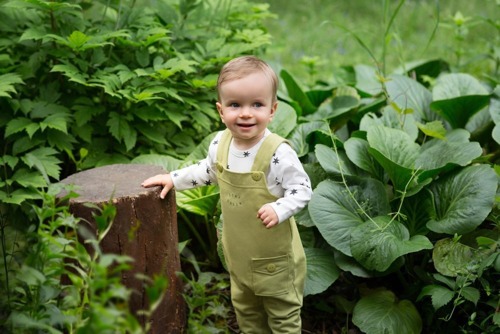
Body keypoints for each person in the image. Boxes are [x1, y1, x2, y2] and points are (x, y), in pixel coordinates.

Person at [141, 55, 312, 333]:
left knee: (282, 320)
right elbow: (206, 171)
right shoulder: (221, 143)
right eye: (235, 105)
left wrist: (280, 208)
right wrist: (173, 178)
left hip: (275, 263)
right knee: (247, 315)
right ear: (221, 110)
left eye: (256, 104)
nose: (245, 113)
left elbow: (302, 189)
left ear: (272, 109)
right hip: (240, 258)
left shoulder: (278, 153)